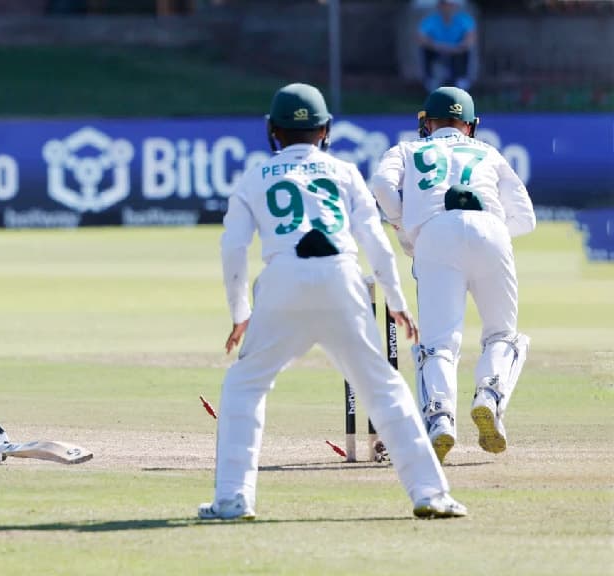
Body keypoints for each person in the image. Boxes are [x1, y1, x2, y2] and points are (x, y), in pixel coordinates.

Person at [199, 83, 466, 521]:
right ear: (325, 130)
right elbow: (376, 242)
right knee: (384, 389)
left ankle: (233, 499)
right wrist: (396, 301)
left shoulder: (253, 177)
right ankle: (430, 493)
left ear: (271, 130)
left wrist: (239, 313)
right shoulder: (343, 172)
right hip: (343, 279)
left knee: (244, 386)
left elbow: (233, 247)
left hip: (282, 279)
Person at [369, 86, 535, 464]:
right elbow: (526, 218)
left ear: (426, 123)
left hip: (433, 235)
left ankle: (440, 419)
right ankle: (488, 397)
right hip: (492, 230)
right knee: (502, 334)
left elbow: (380, 185)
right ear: (471, 126)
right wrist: (488, 234)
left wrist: (403, 226)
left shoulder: (407, 150)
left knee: (440, 343)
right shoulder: (488, 152)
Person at [418, 0, 476, 93]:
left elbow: (470, 39)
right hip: (436, 49)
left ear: (455, 6)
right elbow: (421, 38)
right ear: (439, 6)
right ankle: (430, 79)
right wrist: (437, 46)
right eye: (444, 5)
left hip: (457, 50)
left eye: (450, 5)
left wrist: (458, 47)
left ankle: (461, 79)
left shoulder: (464, 19)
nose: (447, 8)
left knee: (465, 52)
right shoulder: (431, 20)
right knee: (425, 50)